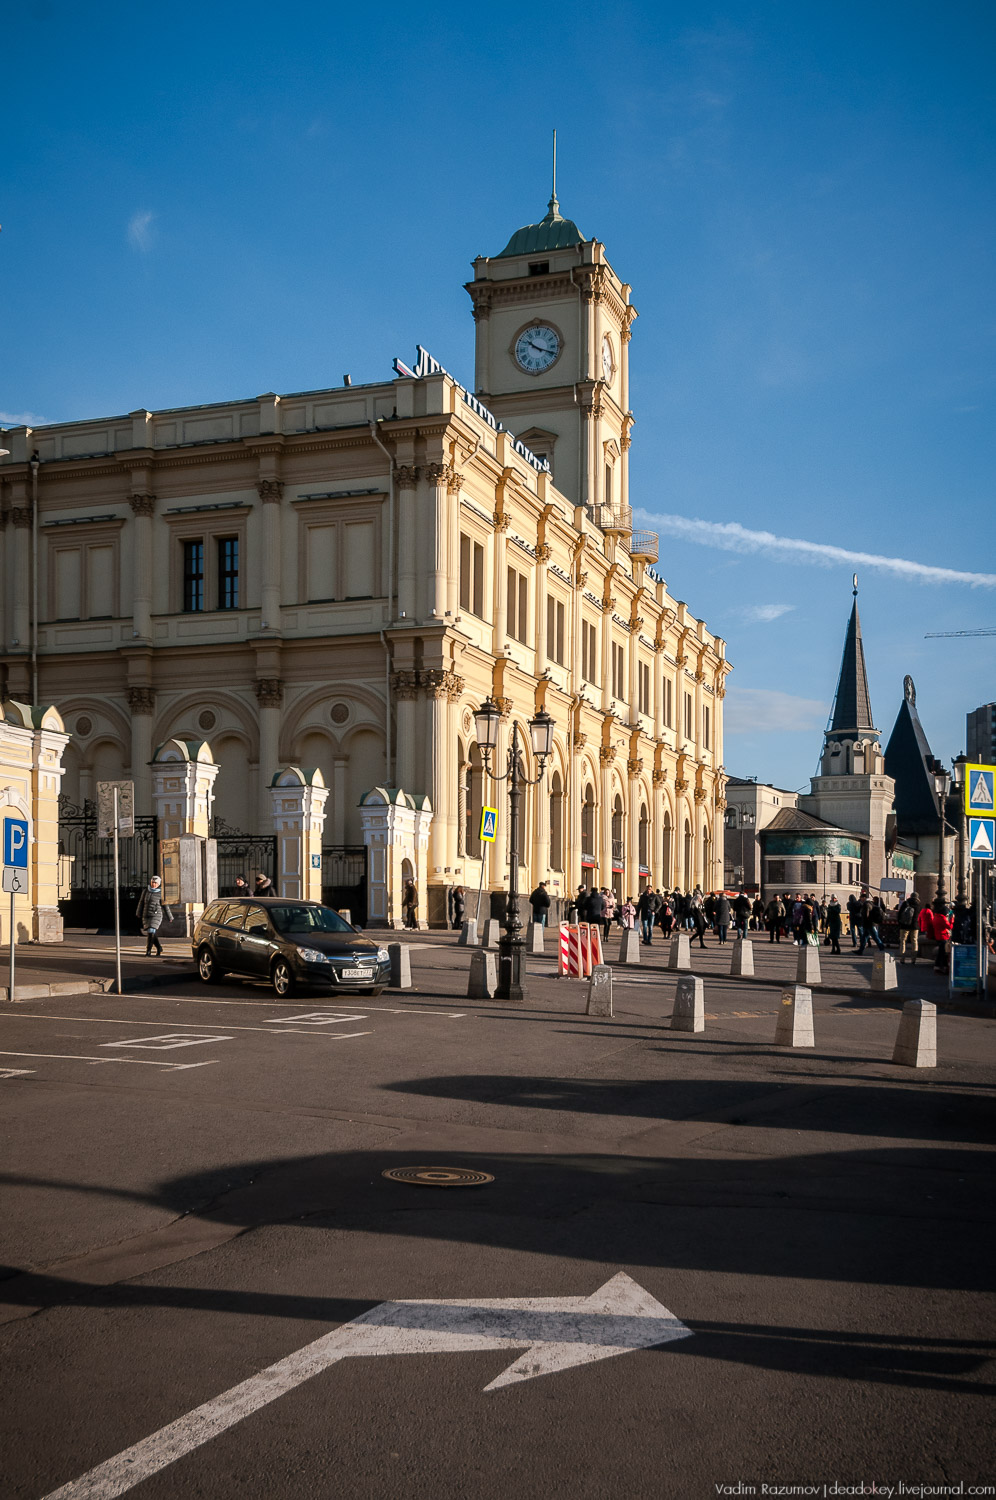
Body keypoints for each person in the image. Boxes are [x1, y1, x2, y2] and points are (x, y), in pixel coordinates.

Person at [136, 875, 174, 957]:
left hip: (156, 914)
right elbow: (141, 902)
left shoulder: (161, 893)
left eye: (155, 883)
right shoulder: (146, 891)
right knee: (151, 932)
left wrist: (170, 917)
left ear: (158, 884)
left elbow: (165, 906)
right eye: (152, 882)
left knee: (151, 931)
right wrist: (138, 912)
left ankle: (148, 951)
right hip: (146, 914)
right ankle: (159, 947)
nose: (153, 884)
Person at [897, 894, 921, 964]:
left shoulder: (906, 903)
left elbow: (900, 913)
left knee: (903, 941)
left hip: (904, 925)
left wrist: (900, 922)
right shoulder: (919, 905)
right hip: (915, 926)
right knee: (914, 941)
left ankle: (902, 958)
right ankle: (913, 959)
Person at [932, 901, 953, 974]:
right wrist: (952, 920)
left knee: (940, 953)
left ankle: (938, 966)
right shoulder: (942, 918)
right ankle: (941, 966)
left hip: (938, 936)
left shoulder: (936, 917)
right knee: (943, 953)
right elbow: (950, 926)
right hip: (943, 936)